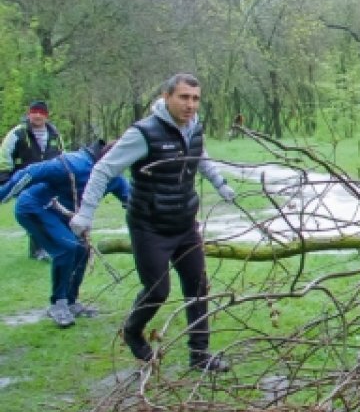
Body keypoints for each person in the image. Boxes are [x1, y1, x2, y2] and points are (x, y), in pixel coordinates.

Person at [69, 74, 237, 372]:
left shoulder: (194, 127)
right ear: (167, 96)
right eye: (184, 97)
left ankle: (200, 354)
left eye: (195, 98)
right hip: (150, 226)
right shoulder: (144, 133)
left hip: (185, 224)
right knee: (157, 290)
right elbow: (103, 170)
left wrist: (220, 184)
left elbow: (200, 157)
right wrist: (85, 214)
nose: (190, 105)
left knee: (197, 286)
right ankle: (133, 332)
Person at [0, 140, 130, 327]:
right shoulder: (74, 164)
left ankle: (71, 301)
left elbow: (133, 201)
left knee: (82, 249)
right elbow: (31, 172)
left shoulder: (114, 177)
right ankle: (58, 304)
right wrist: (3, 193)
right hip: (35, 207)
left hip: (63, 215)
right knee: (67, 247)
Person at [1, 100, 65, 260]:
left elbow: (63, 156)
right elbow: (5, 155)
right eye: (34, 112)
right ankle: (39, 250)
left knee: (48, 213)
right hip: (25, 181)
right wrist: (4, 176)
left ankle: (44, 248)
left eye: (41, 112)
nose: (37, 115)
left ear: (46, 116)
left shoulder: (54, 134)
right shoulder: (18, 133)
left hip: (49, 181)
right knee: (34, 212)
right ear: (29, 114)